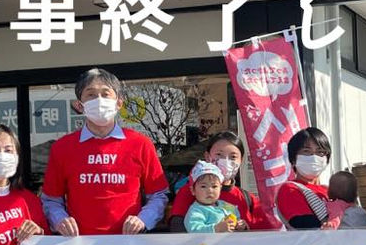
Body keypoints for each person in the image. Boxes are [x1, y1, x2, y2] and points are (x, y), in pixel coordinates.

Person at [41, 68, 168, 235]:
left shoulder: (140, 144)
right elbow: (51, 199)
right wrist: (60, 220)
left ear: (119, 103)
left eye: (105, 94)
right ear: (80, 105)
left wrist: (143, 219)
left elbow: (159, 195)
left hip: (129, 242)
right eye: (91, 94)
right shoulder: (62, 147)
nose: (99, 100)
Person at [169, 131, 272, 232]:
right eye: (219, 154)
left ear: (241, 160)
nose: (226, 161)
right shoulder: (191, 191)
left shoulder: (248, 199)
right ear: (207, 156)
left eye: (233, 157)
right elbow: (178, 232)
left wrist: (243, 228)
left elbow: (265, 236)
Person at [276, 128, 332, 230]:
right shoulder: (290, 189)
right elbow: (307, 227)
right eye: (306, 151)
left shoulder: (329, 190)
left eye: (320, 152)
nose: (314, 157)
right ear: (293, 159)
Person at [183, 161, 242, 233]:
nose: (210, 190)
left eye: (214, 186)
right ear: (193, 190)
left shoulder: (227, 206)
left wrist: (240, 225)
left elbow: (237, 219)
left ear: (220, 188)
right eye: (203, 186)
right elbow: (194, 230)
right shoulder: (196, 211)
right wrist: (215, 228)